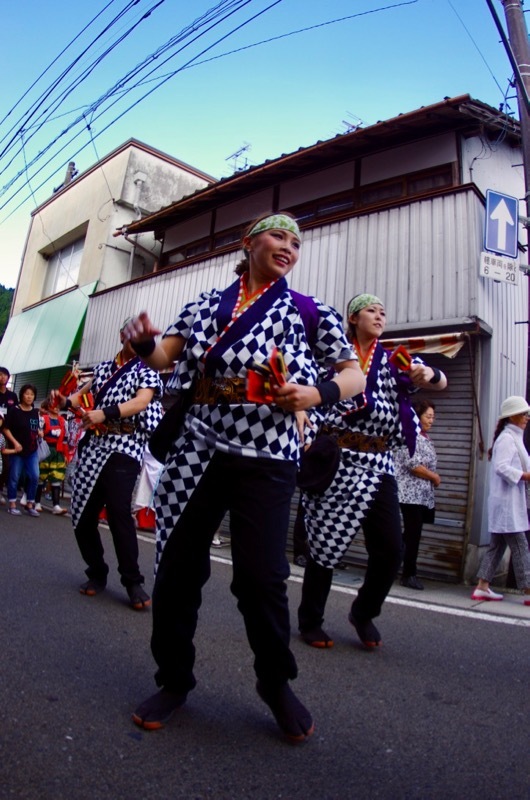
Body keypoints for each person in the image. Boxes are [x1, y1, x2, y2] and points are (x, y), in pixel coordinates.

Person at [123, 212, 366, 741]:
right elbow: (167, 356)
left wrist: (313, 394)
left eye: (297, 243)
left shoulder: (309, 312)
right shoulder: (206, 305)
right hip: (199, 450)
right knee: (177, 572)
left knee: (261, 579)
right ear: (249, 241)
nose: (289, 247)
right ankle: (174, 679)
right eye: (279, 236)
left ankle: (275, 682)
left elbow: (353, 374)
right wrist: (144, 343)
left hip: (268, 457)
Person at [298, 294, 447, 650]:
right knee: (324, 544)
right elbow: (312, 389)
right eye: (371, 310)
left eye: (383, 311)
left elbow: (437, 382)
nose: (380, 315)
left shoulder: (395, 359)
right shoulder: (335, 354)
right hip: (337, 457)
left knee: (391, 549)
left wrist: (427, 374)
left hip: (379, 463)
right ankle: (310, 620)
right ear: (353, 318)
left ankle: (363, 612)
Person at [51, 320, 164, 610]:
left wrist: (104, 413)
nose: (134, 339)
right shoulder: (102, 369)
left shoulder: (146, 368)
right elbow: (76, 398)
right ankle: (97, 570)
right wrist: (63, 400)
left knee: (118, 510)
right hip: (94, 447)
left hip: (124, 447)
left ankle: (132, 580)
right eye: (130, 334)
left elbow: (141, 402)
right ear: (122, 336)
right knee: (82, 514)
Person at [471, 395, 530, 605]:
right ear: (511, 416)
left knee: (497, 546)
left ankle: (482, 587)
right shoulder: (507, 438)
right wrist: (525, 476)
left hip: (508, 503)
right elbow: (501, 467)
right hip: (507, 505)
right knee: (521, 546)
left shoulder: (512, 436)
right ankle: (528, 589)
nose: (527, 417)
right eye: (523, 413)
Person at [394, 399, 441, 590]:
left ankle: (391, 564)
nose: (431, 420)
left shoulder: (424, 436)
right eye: (428, 416)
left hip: (421, 495)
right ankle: (408, 574)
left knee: (410, 535)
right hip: (409, 494)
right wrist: (434, 477)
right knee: (413, 534)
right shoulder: (409, 435)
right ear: (418, 416)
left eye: (433, 417)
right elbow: (413, 464)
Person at [4, 384, 42, 516]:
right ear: (22, 395)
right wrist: (14, 443)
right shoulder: (14, 411)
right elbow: (5, 428)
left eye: (32, 394)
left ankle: (30, 504)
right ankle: (13, 504)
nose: (29, 396)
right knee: (14, 477)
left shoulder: (35, 412)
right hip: (17, 451)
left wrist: (39, 431)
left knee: (34, 476)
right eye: (27, 393)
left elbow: (34, 426)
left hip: (32, 450)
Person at [34, 400, 68, 515]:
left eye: (59, 406)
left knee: (56, 477)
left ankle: (56, 505)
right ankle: (36, 502)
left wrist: (66, 454)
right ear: (49, 406)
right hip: (44, 449)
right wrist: (40, 434)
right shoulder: (42, 419)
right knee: (40, 476)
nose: (57, 408)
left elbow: (65, 439)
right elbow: (36, 433)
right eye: (55, 406)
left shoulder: (63, 421)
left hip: (57, 451)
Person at [0, 367, 18, 505]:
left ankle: (0, 490)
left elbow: (17, 414)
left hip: (7, 432)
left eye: (5, 375)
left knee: (5, 464)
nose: (3, 377)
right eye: (0, 375)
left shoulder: (12, 396)